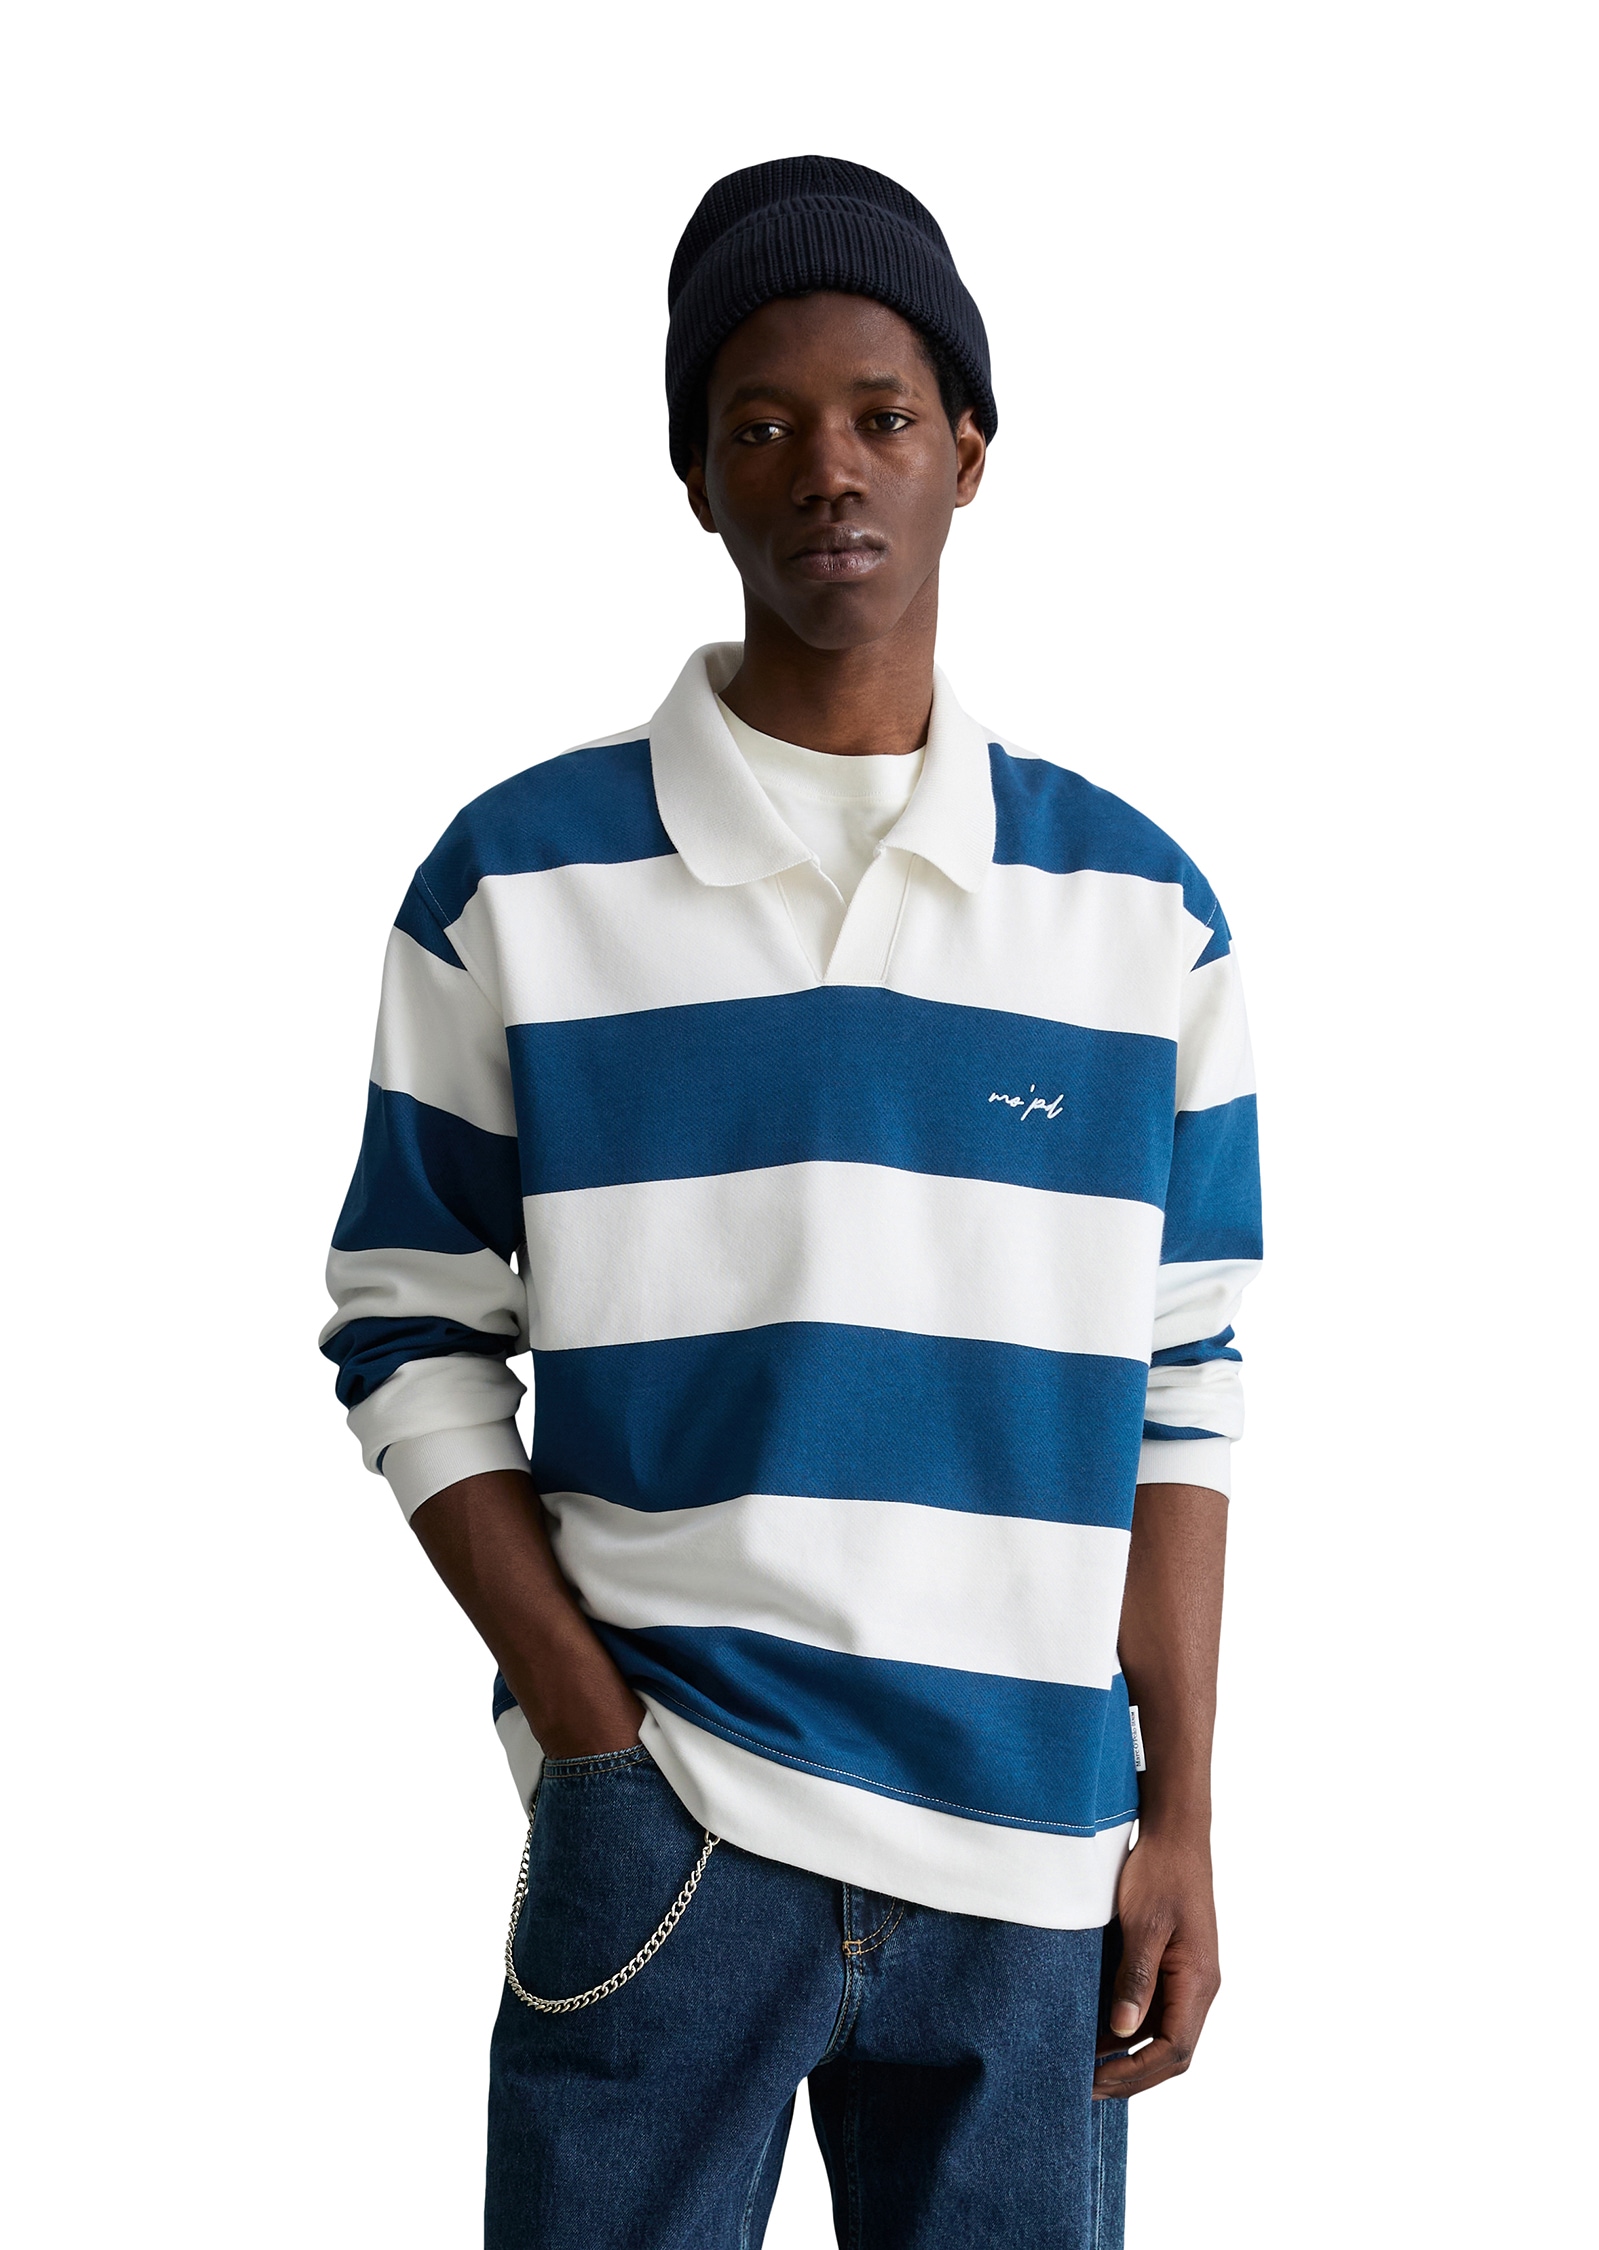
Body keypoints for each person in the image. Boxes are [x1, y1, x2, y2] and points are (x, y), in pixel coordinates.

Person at [321, 154, 1261, 2250]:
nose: (825, 467)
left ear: (967, 453)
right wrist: (593, 1738)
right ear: (697, 479)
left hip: (1030, 1856)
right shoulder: (519, 884)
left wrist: (1181, 1814)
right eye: (759, 424)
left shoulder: (1137, 917)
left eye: (879, 415)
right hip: (672, 1827)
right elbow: (404, 1321)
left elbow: (1180, 1379)